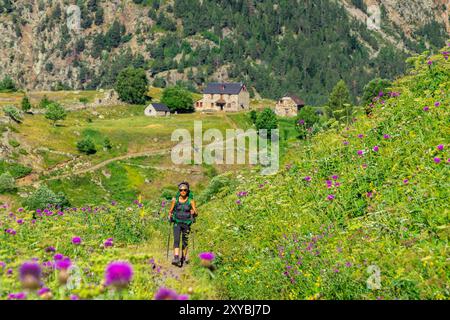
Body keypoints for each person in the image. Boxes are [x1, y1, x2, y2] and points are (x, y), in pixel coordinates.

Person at [168, 181, 197, 267]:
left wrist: (194, 212)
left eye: (185, 190)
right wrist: (170, 215)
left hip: (187, 223)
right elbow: (170, 211)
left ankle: (183, 258)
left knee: (185, 242)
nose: (183, 191)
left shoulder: (191, 201)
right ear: (179, 191)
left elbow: (196, 212)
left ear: (187, 190)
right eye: (181, 190)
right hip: (177, 222)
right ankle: (176, 258)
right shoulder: (175, 200)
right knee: (176, 240)